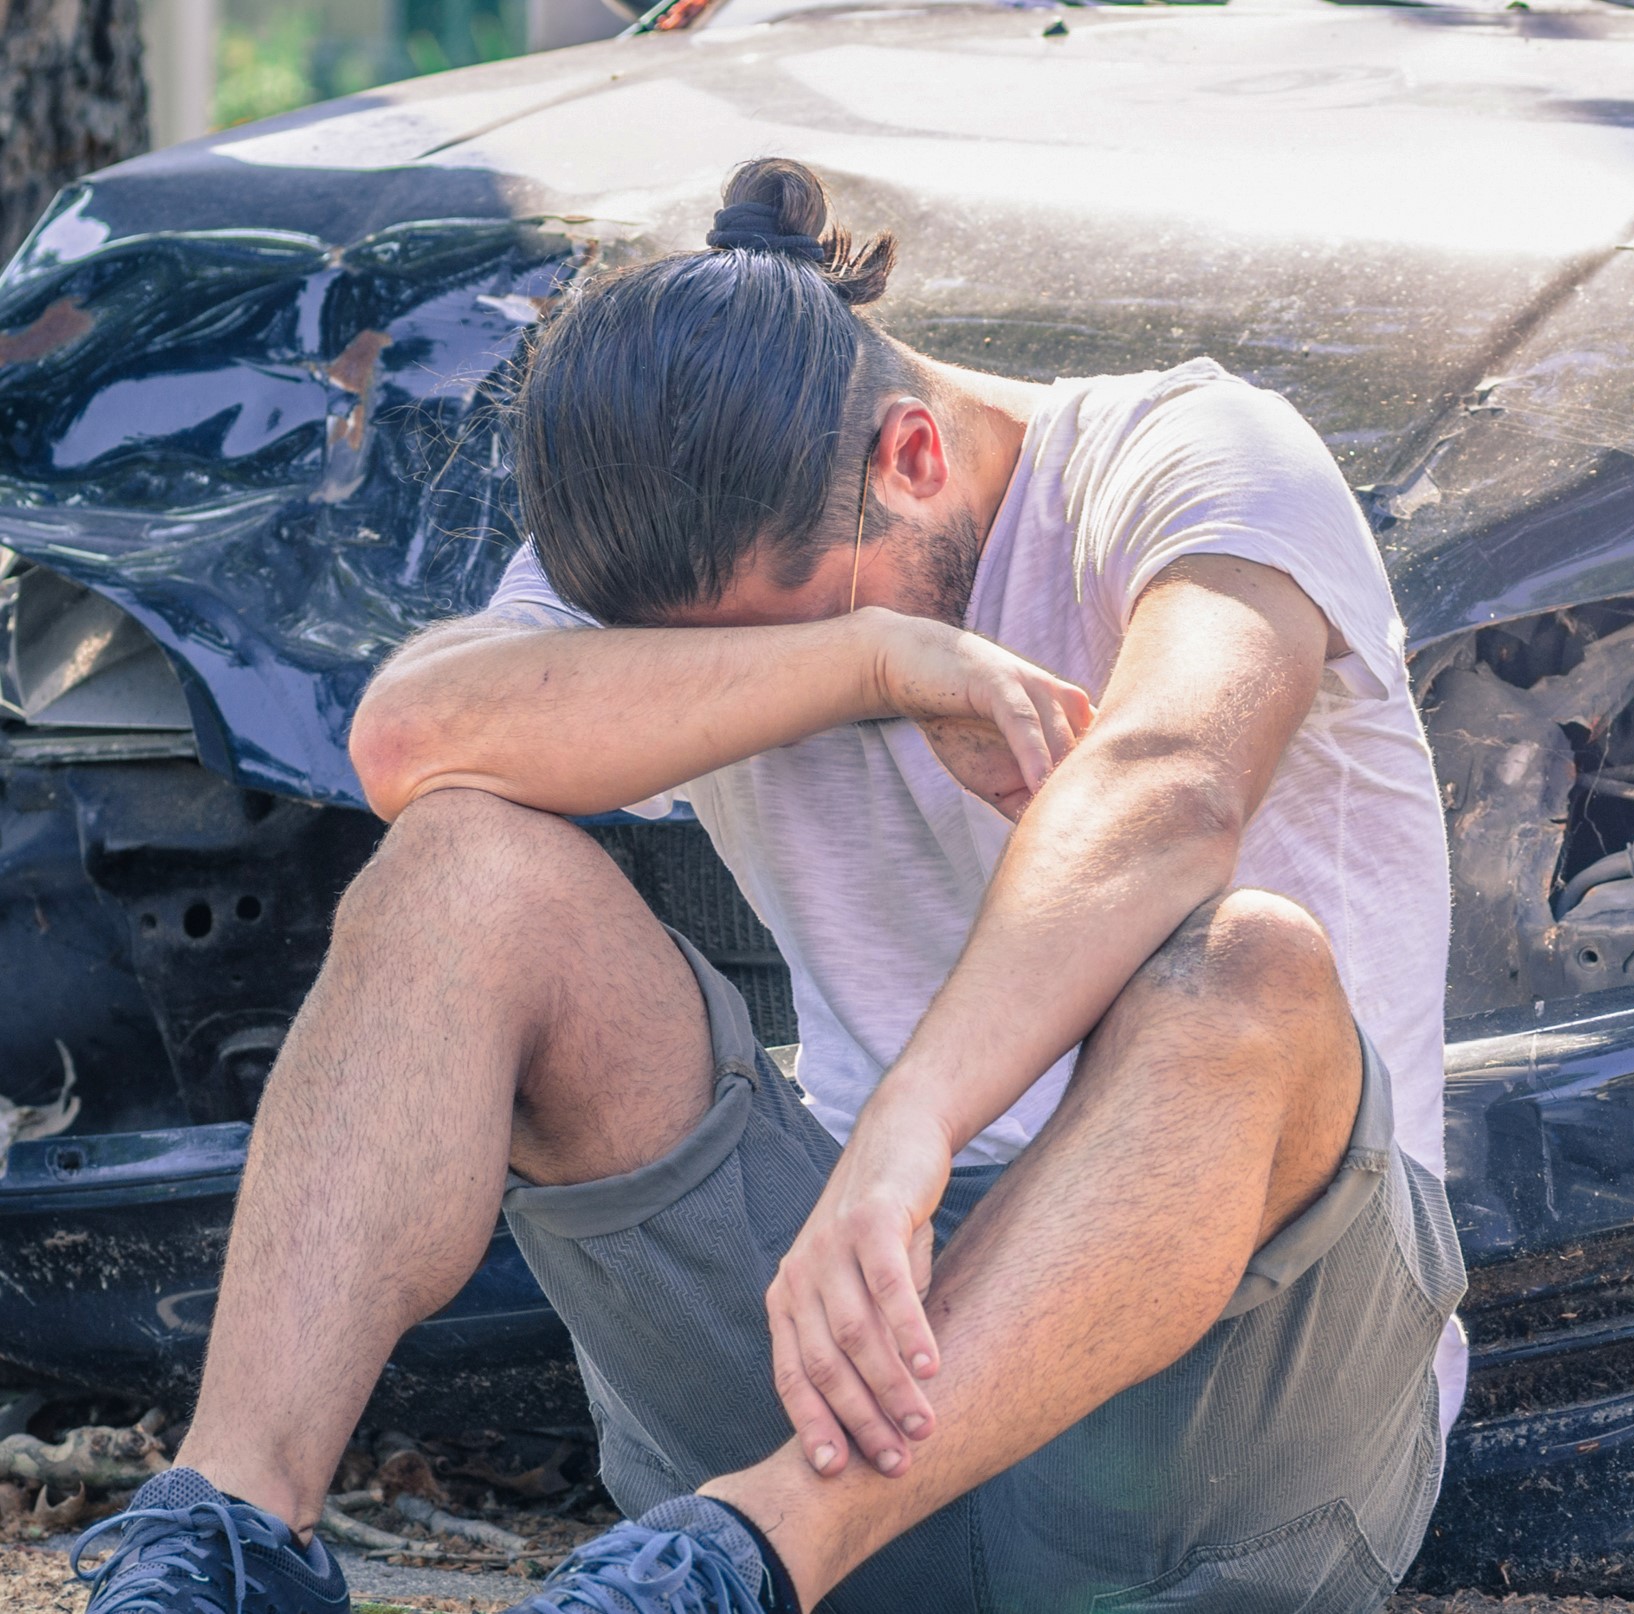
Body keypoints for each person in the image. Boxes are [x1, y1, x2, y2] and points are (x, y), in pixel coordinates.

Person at [73, 157, 1465, 1614]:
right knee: (460, 860)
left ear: (913, 455)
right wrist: (862, 656)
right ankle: (225, 1541)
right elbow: (408, 736)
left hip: (1230, 1456)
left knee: (1249, 966)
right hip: (843, 1374)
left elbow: (1171, 789)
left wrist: (912, 1132)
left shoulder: (1199, 455)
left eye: (801, 622)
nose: (761, 672)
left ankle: (744, 1554)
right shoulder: (706, 538)